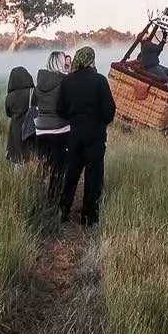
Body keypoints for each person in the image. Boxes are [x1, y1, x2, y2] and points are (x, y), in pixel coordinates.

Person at [56, 46, 116, 226]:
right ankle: (89, 217)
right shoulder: (99, 80)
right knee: (93, 177)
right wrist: (100, 122)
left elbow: (60, 109)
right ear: (91, 61)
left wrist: (74, 118)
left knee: (71, 174)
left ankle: (63, 211)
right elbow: (109, 111)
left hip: (74, 135)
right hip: (95, 136)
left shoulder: (67, 81)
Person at [32, 49, 72, 200]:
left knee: (42, 166)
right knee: (58, 168)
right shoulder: (65, 82)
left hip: (41, 130)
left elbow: (35, 103)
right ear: (61, 63)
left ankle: (38, 197)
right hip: (60, 129)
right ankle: (53, 199)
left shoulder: (40, 81)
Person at [3, 65, 35, 166]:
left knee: (17, 157)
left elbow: (8, 114)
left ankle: (17, 179)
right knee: (31, 154)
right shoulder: (32, 92)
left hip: (15, 129)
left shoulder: (9, 97)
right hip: (30, 128)